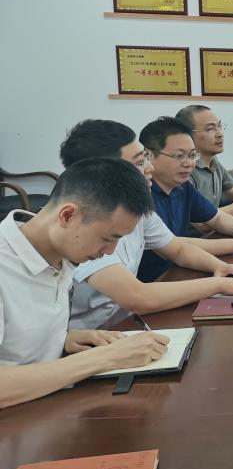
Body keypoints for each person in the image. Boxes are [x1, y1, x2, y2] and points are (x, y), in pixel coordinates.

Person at [60, 120, 233, 330]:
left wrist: (219, 267)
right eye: (139, 162)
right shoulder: (84, 225)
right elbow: (138, 297)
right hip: (89, 339)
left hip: (125, 327)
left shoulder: (138, 207)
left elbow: (178, 248)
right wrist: (219, 284)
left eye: (146, 159)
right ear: (101, 173)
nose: (149, 168)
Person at [0, 158, 171, 409]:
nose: (110, 251)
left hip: (47, 407)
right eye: (107, 238)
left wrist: (61, 339)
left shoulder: (61, 254)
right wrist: (105, 358)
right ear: (67, 215)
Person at [137, 116, 233, 282]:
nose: (189, 163)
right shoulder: (141, 196)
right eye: (179, 156)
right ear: (148, 156)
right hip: (153, 280)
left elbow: (217, 218)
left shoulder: (183, 187)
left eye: (192, 155)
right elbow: (173, 244)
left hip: (181, 269)